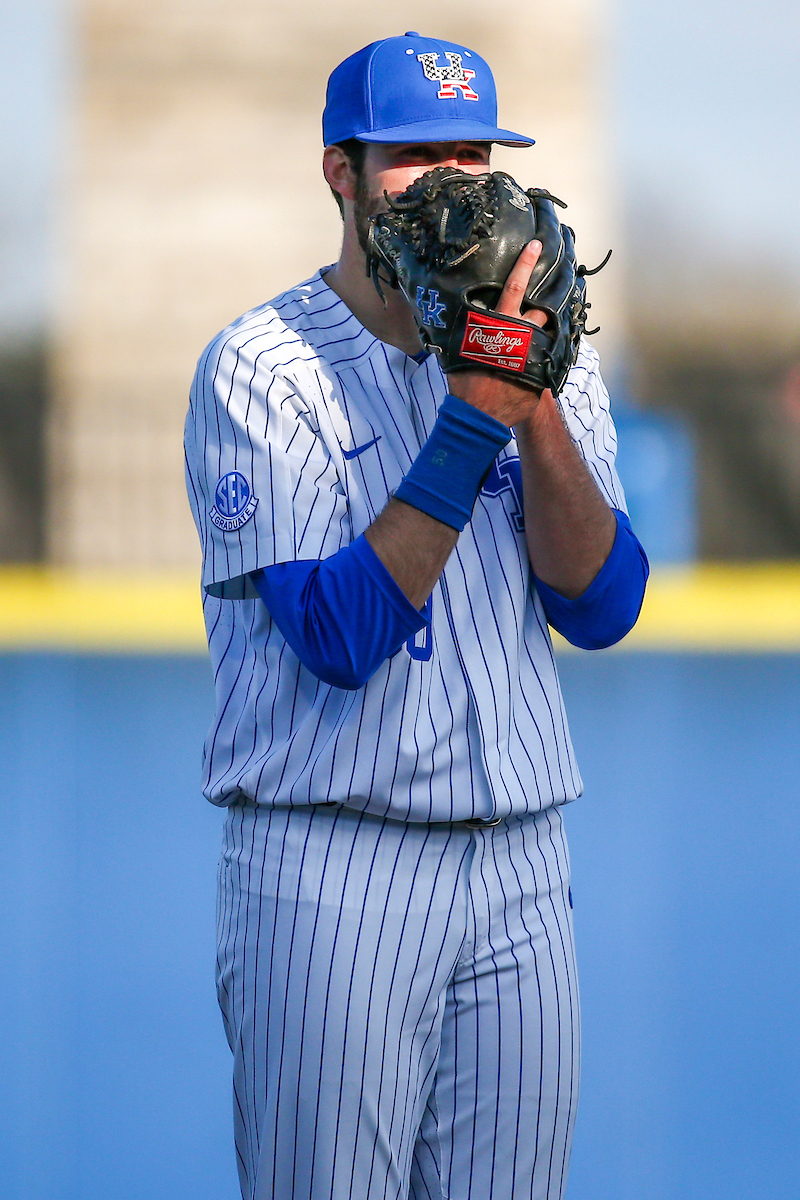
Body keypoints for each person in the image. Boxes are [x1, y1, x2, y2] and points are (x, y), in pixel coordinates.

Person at [184, 31, 648, 1200]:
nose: (453, 184)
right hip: (331, 870)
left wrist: (529, 400)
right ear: (340, 172)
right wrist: (475, 413)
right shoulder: (261, 366)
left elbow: (600, 606)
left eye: (471, 152)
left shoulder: (548, 354)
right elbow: (338, 635)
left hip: (521, 866)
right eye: (411, 157)